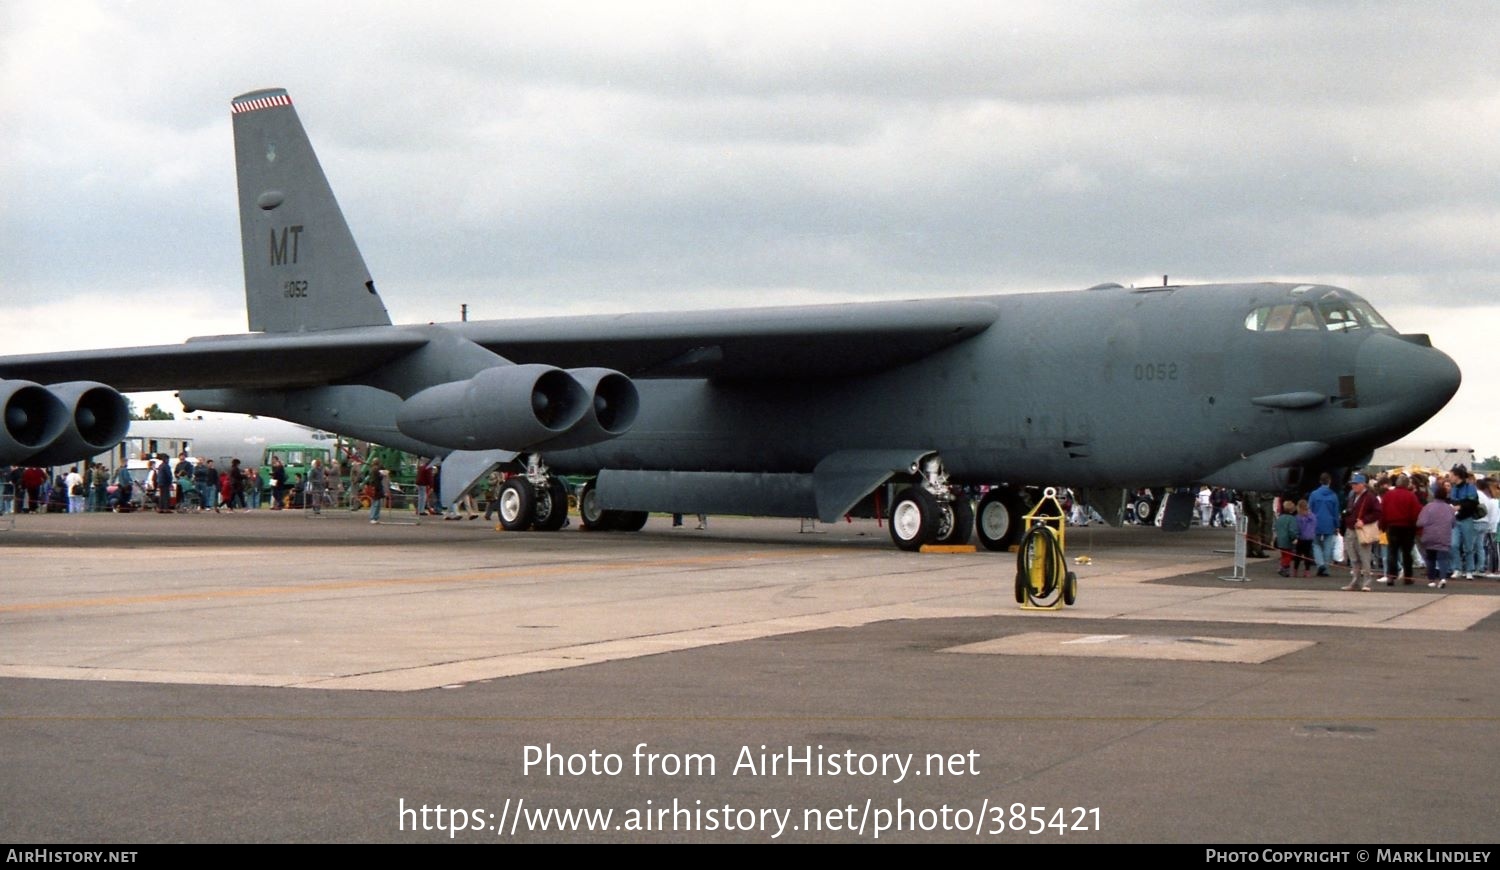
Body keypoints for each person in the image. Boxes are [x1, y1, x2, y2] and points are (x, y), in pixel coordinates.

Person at [1378, 474, 1422, 586]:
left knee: (1392, 552)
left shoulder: (1388, 495)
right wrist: (1416, 527)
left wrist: (1382, 526)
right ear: (1407, 484)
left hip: (1392, 527)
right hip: (1407, 527)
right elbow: (1416, 513)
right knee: (1407, 553)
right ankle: (1407, 577)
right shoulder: (1411, 496)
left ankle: (1391, 576)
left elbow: (1383, 511)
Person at [1341, 473, 1381, 591]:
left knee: (1364, 557)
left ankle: (1367, 582)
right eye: (1352, 484)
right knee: (1353, 558)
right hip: (1351, 529)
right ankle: (1355, 581)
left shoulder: (1370, 497)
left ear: (1363, 484)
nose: (1353, 486)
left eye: (1356, 484)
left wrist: (1364, 521)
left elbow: (1377, 512)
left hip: (1362, 530)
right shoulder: (1352, 496)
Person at [1447, 465, 1482, 580]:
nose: (1449, 478)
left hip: (1467, 519)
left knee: (1468, 546)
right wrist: (1460, 503)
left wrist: (1460, 506)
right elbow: (1452, 500)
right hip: (1455, 519)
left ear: (1457, 476)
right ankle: (1457, 568)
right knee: (1453, 544)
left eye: (1451, 475)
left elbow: (1473, 502)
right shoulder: (1454, 488)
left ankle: (1469, 570)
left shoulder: (1470, 487)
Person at [1418, 481, 1455, 588]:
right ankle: (1443, 578)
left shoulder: (1428, 507)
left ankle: (1431, 580)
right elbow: (1453, 523)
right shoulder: (1449, 508)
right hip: (1444, 536)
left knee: (1430, 559)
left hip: (1429, 536)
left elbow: (1420, 522)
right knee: (1443, 558)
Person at [1307, 472, 1341, 577]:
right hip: (1329, 523)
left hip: (1315, 522)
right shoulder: (1333, 495)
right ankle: (1326, 568)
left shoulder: (1314, 494)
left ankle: (1320, 564)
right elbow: (1336, 512)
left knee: (1316, 544)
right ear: (1329, 481)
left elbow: (1309, 509)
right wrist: (1337, 525)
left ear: (1320, 481)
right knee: (1328, 546)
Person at [366, 459, 385, 523]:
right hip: (377, 488)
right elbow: (378, 478)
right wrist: (382, 475)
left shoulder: (372, 469)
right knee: (376, 504)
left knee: (375, 503)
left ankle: (374, 518)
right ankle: (373, 517)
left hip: (374, 487)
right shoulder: (376, 470)